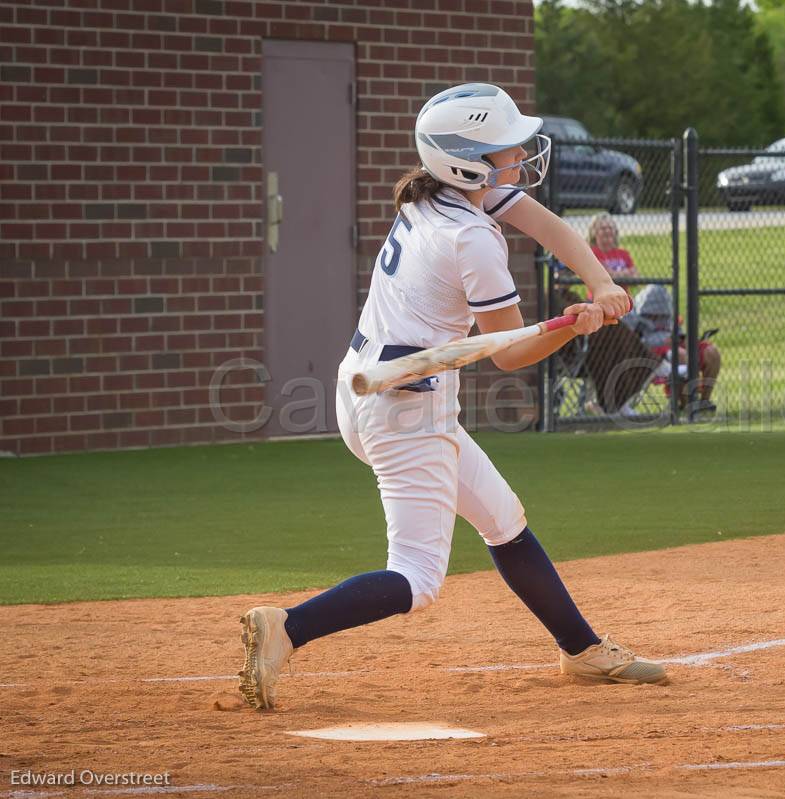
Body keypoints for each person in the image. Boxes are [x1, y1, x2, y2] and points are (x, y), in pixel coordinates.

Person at [237, 83, 667, 711]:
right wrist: (576, 325)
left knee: (504, 518)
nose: (518, 156)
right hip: (407, 409)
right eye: (504, 149)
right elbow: (510, 353)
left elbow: (549, 228)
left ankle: (581, 649)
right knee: (416, 579)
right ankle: (287, 627)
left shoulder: (436, 196)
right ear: (465, 161)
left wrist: (601, 282)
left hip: (368, 385)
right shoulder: (471, 237)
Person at [626, 283, 721, 414]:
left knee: (711, 352)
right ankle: (688, 404)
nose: (657, 318)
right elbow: (635, 343)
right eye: (653, 315)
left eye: (660, 315)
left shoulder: (670, 316)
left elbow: (679, 335)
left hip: (674, 346)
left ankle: (703, 402)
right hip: (651, 353)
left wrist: (686, 340)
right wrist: (663, 343)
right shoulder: (634, 319)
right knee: (681, 355)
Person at [587, 212, 638, 281]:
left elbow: (636, 276)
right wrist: (626, 273)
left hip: (623, 292)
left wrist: (614, 274)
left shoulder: (623, 253)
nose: (607, 231)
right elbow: (604, 277)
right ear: (594, 232)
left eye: (610, 228)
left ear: (615, 231)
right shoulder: (591, 253)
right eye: (603, 228)